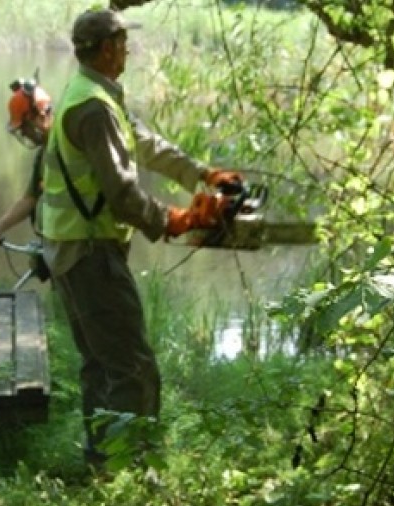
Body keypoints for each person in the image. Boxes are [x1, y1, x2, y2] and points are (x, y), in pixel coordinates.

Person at [40, 7, 242, 466]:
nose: (128, 51)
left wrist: (203, 175)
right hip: (91, 253)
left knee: (99, 362)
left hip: (70, 249)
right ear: (110, 48)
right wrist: (174, 220)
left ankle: (100, 461)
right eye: (124, 44)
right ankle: (134, 469)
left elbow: (145, 143)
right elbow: (123, 195)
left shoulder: (91, 93)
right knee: (133, 368)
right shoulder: (92, 107)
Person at [0, 77, 54, 246]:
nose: (25, 135)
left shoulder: (71, 146)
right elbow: (30, 199)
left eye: (24, 128)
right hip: (56, 243)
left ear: (39, 117)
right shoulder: (43, 155)